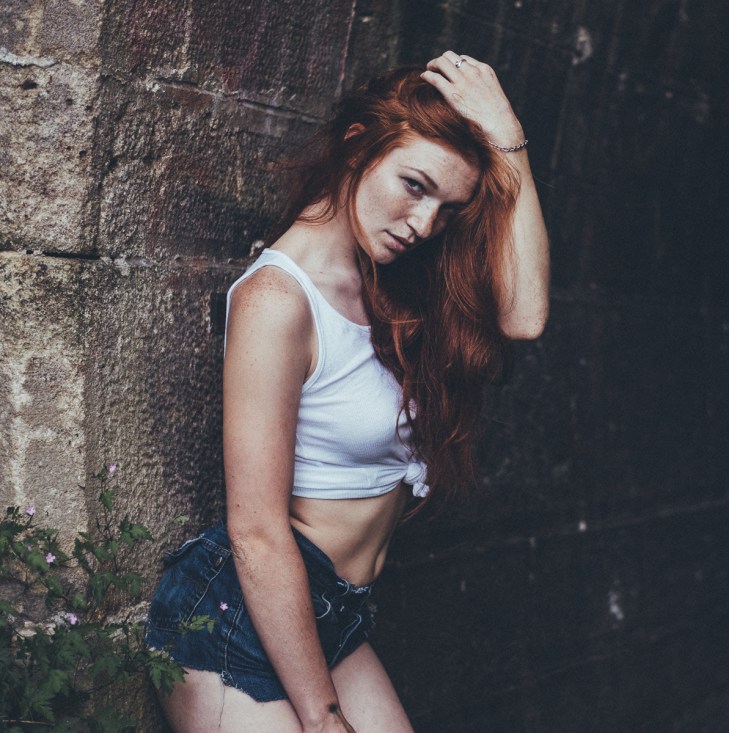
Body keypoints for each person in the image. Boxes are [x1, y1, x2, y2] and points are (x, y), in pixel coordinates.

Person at [144, 51, 549, 732]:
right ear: (360, 145)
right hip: (239, 615)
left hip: (332, 609)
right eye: (413, 185)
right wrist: (325, 716)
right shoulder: (278, 299)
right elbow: (258, 529)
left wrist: (509, 140)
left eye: (447, 210)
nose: (422, 224)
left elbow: (525, 315)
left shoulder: (391, 282)